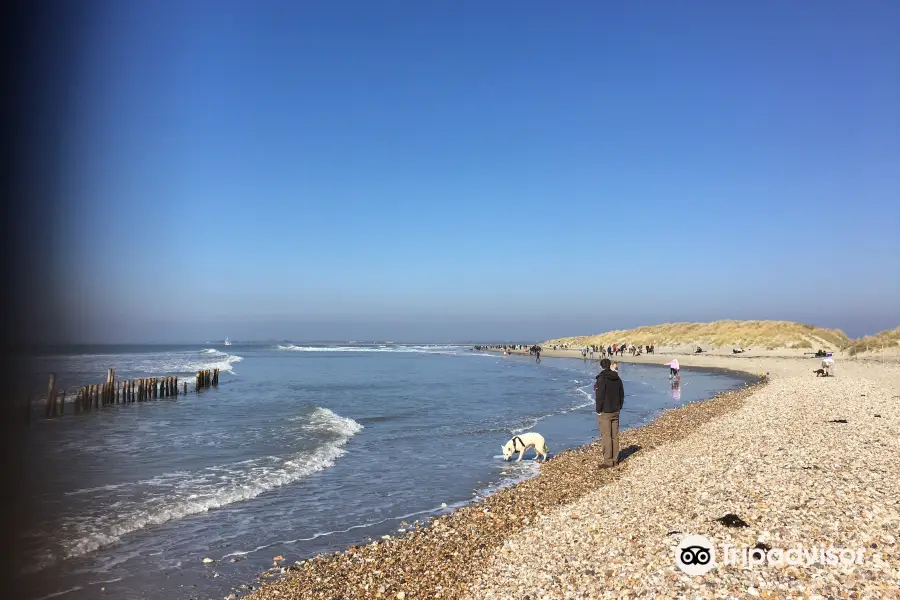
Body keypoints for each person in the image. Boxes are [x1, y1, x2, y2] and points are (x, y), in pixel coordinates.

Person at [594, 358, 624, 468]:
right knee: (614, 436)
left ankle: (608, 461)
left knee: (606, 436)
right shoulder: (617, 378)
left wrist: (598, 410)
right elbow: (622, 394)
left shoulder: (601, 378)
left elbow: (599, 396)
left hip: (606, 411)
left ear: (601, 366)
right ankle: (615, 459)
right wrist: (619, 406)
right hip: (615, 410)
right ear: (610, 365)